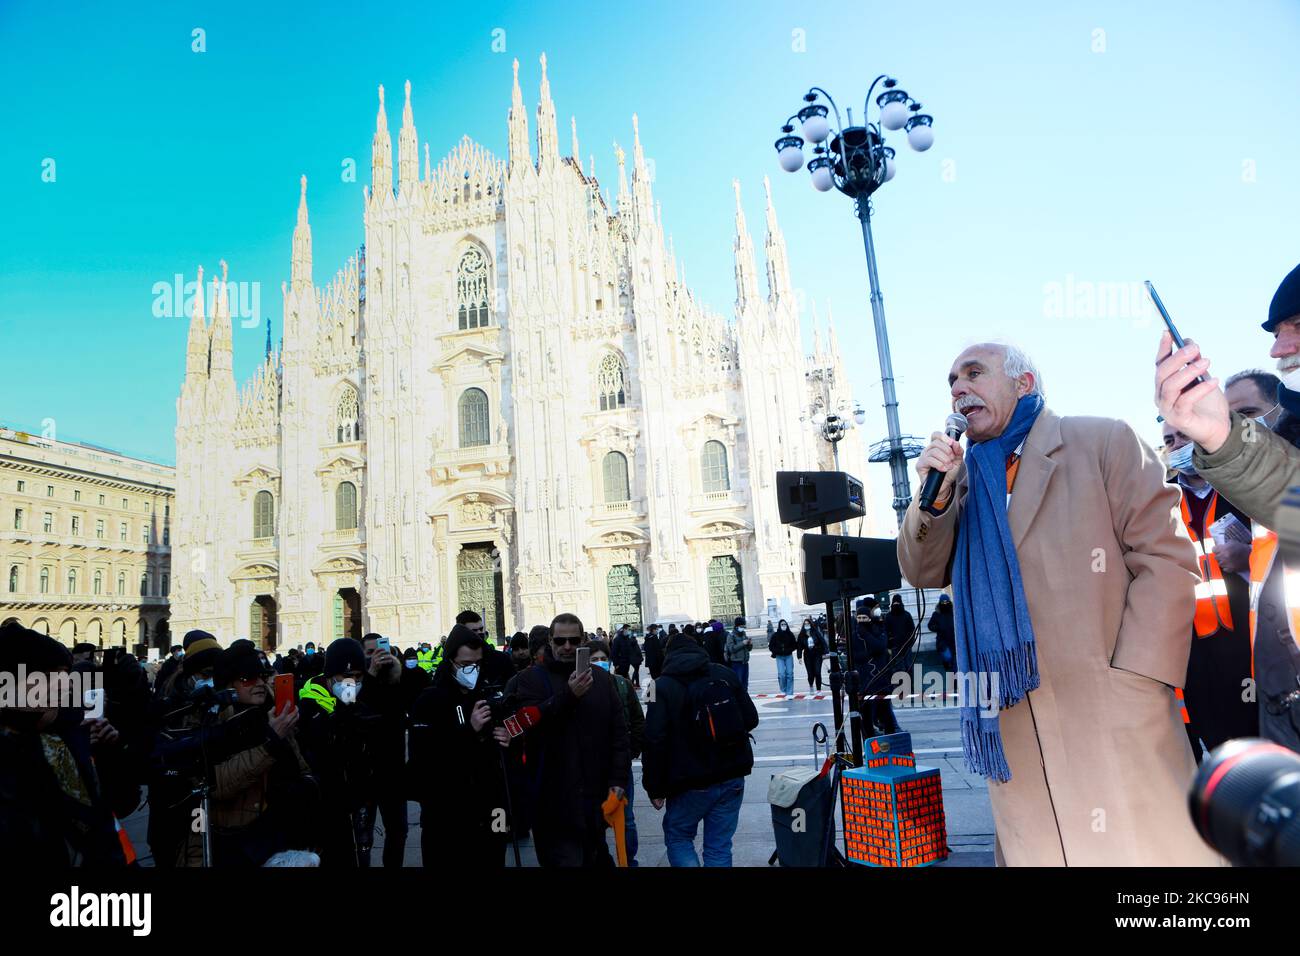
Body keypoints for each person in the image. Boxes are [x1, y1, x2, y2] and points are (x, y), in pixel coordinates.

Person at [900, 341, 1215, 866]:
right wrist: (932, 498)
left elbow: (1167, 560)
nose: (958, 388)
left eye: (974, 373)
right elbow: (920, 569)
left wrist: (1137, 680)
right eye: (952, 380)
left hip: (1115, 716)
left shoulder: (1100, 441)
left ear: (1023, 383)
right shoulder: (961, 482)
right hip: (1016, 727)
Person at [1155, 263, 1300, 756]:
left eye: (1295, 328)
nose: (1279, 349)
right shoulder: (1167, 501)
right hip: (1259, 682)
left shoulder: (1233, 491)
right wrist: (1215, 432)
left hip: (1249, 663)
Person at [1160, 422, 1257, 757]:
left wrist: (1248, 558)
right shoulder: (1158, 498)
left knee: (1250, 736)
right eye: (1169, 440)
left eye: (1184, 436)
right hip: (1188, 645)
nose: (1177, 445)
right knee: (1199, 738)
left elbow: (1283, 549)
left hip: (1246, 637)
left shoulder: (1243, 487)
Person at [0, 621, 131, 866]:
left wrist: (109, 751)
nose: (67, 684)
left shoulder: (71, 734)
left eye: (65, 674)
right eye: (52, 675)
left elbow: (119, 805)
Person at [176, 641, 318, 866]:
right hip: (234, 847)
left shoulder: (272, 714)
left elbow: (302, 767)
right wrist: (271, 742)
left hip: (281, 837)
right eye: (248, 678)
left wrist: (307, 785)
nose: (260, 683)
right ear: (228, 685)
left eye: (262, 676)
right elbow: (215, 786)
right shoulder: (210, 724)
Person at [512, 613, 630, 867]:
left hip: (594, 802)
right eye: (560, 640)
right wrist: (569, 695)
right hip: (553, 806)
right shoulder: (531, 679)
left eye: (573, 640)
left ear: (583, 640)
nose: (567, 646)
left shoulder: (600, 679)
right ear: (550, 642)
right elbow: (527, 726)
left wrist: (618, 780)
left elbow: (619, 734)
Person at [642, 631, 759, 867]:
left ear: (668, 654)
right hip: (731, 774)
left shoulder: (656, 686)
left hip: (689, 781)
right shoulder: (724, 672)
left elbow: (653, 738)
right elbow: (751, 718)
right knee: (719, 846)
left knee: (679, 837)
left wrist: (654, 787)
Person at [408, 624, 515, 868]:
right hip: (446, 817)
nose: (472, 671)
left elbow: (507, 756)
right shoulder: (429, 701)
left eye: (477, 664)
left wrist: (508, 739)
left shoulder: (489, 696)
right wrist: (469, 731)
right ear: (450, 662)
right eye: (465, 664)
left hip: (492, 811)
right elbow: (422, 762)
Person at [295, 637, 406, 866]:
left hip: (358, 799)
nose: (351, 683)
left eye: (358, 677)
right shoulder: (308, 707)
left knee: (360, 852)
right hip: (326, 805)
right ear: (329, 677)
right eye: (345, 677)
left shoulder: (360, 703)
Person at [590, 640, 644, 866]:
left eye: (603, 659)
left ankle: (628, 860)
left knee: (627, 819)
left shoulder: (622, 684)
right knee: (595, 818)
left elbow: (638, 721)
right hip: (591, 766)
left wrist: (630, 750)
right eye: (594, 660)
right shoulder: (579, 687)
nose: (600, 663)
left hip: (619, 764)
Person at [357, 633, 409, 867]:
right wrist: (370, 675)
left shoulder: (396, 681)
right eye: (370, 653)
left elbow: (411, 700)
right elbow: (348, 707)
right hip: (363, 773)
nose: (376, 657)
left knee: (398, 832)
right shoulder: (352, 682)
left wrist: (398, 669)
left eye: (380, 651)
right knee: (363, 835)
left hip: (393, 772)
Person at [853, 603, 900, 735]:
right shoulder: (854, 635)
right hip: (864, 681)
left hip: (880, 680)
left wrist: (867, 635)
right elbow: (855, 656)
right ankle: (869, 740)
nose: (862, 621)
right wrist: (869, 654)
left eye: (864, 618)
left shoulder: (878, 630)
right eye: (859, 618)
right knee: (865, 715)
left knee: (885, 712)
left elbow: (880, 647)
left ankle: (890, 736)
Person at [928, 595, 957, 673]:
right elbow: (930, 625)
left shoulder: (954, 612)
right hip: (943, 641)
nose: (945, 603)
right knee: (948, 658)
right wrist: (938, 627)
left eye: (946, 602)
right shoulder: (936, 614)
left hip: (954, 641)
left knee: (954, 663)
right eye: (943, 602)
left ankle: (955, 681)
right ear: (940, 602)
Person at [768, 619, 797, 696]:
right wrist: (777, 651)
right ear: (779, 625)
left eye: (785, 624)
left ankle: (789, 691)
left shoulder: (790, 634)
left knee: (790, 673)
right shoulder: (775, 635)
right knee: (781, 674)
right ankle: (783, 689)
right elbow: (771, 646)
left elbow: (794, 645)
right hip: (779, 656)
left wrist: (788, 650)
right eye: (782, 624)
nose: (783, 626)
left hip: (788, 656)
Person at [796, 620, 826, 691]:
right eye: (805, 624)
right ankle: (811, 686)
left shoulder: (815, 632)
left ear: (810, 624)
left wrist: (825, 652)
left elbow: (823, 641)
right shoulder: (802, 635)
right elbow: (799, 647)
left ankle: (819, 689)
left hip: (817, 654)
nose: (807, 625)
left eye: (808, 623)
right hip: (807, 655)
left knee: (817, 672)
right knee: (810, 673)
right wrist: (799, 657)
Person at [724, 617, 753, 690]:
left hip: (745, 662)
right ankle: (739, 699)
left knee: (745, 683)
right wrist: (742, 643)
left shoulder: (744, 634)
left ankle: (744, 699)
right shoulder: (731, 636)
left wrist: (750, 644)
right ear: (737, 626)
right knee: (738, 683)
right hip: (736, 663)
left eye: (744, 626)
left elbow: (749, 649)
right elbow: (731, 649)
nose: (743, 628)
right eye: (741, 626)